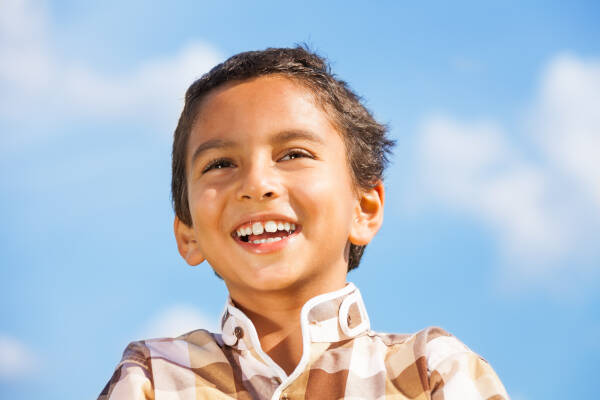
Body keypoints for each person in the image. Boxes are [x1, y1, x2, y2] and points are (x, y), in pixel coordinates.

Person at [98, 46, 509, 400]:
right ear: (188, 235)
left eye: (293, 154)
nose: (256, 184)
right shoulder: (153, 377)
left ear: (363, 209)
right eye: (220, 164)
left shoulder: (430, 371)